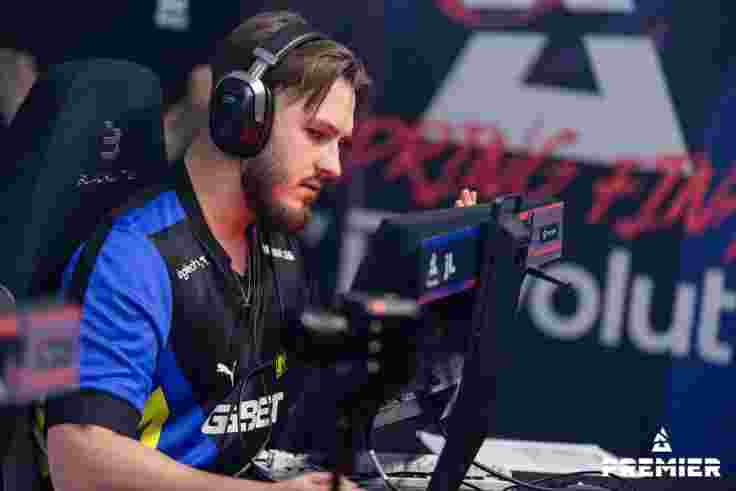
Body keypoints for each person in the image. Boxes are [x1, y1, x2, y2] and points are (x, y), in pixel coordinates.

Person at [42, 9, 477, 491]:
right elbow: (77, 464)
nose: (334, 166)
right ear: (243, 115)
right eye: (317, 135)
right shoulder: (132, 258)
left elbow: (311, 418)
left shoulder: (273, 245)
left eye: (340, 144)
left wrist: (439, 315)